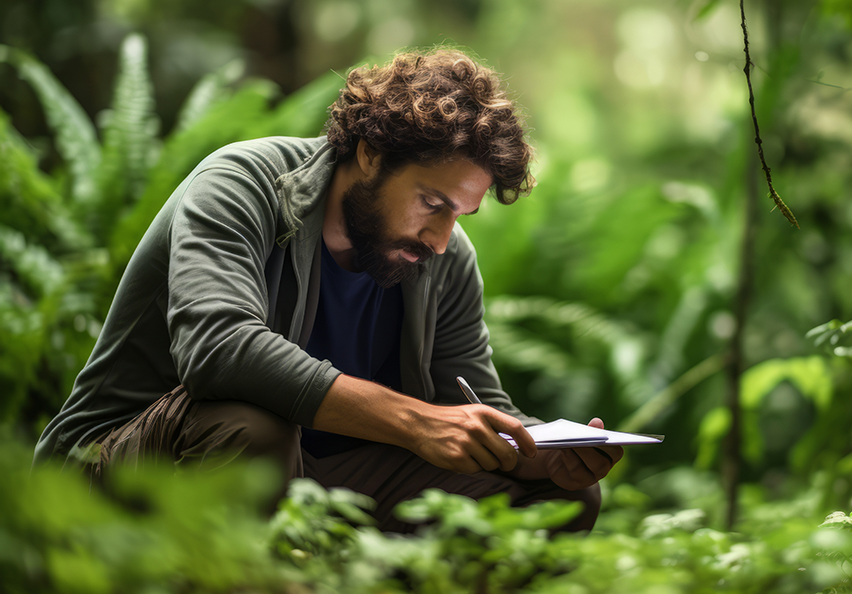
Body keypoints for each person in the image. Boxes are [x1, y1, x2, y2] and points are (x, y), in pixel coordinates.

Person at [33, 49, 623, 533]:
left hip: (318, 475)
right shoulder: (244, 186)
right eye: (431, 203)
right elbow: (216, 348)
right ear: (370, 154)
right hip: (126, 459)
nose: (442, 238)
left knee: (567, 495)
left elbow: (469, 397)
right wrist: (416, 421)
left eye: (460, 215)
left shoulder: (444, 262)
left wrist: (539, 449)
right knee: (252, 426)